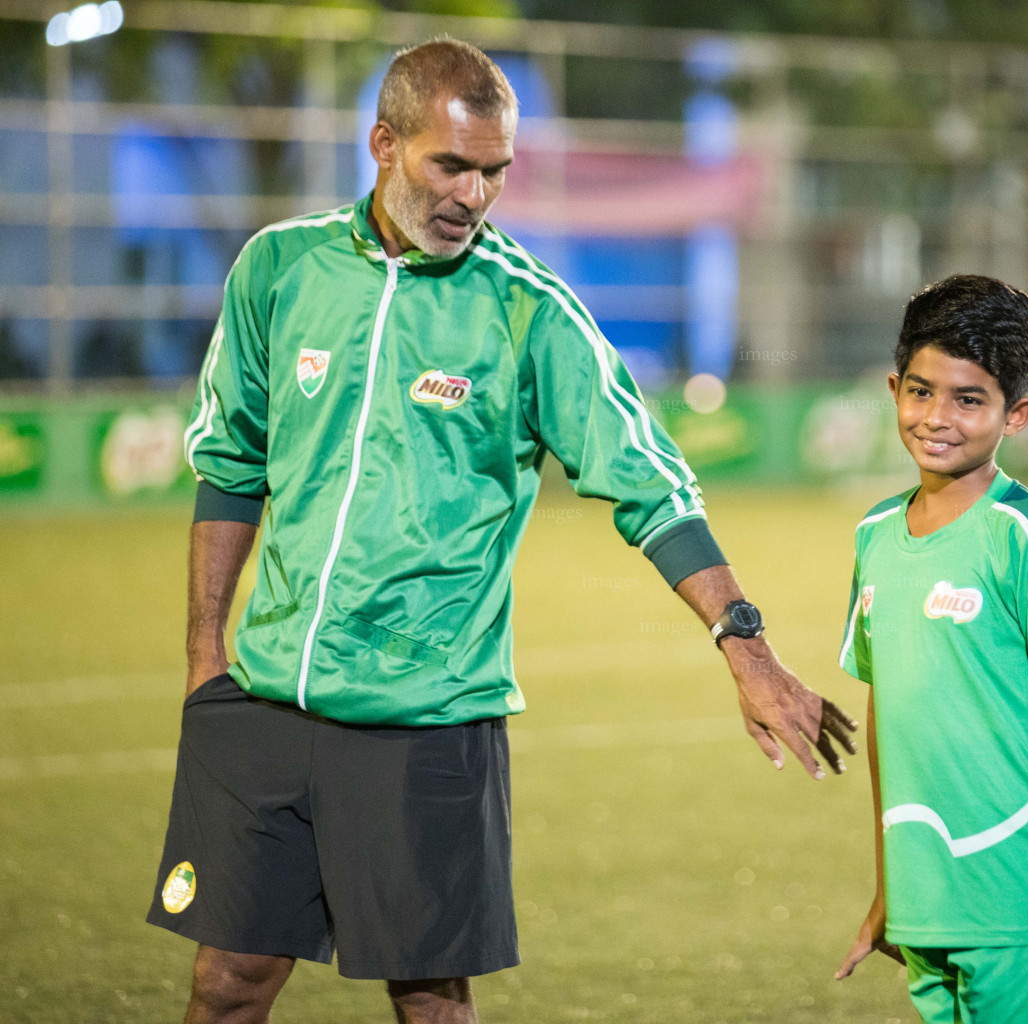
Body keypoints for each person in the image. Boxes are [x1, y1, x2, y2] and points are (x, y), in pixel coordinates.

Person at [155, 37, 856, 1024]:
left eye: (494, 172)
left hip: (429, 716)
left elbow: (651, 485)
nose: (475, 195)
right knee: (227, 982)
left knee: (433, 1001)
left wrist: (746, 644)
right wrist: (201, 654)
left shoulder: (532, 314)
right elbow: (230, 464)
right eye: (453, 165)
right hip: (272, 699)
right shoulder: (280, 268)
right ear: (384, 143)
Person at [831, 276, 1028, 1022]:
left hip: (1020, 907)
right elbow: (888, 711)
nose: (936, 418)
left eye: (969, 399)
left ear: (1017, 414)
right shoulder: (874, 538)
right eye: (920, 392)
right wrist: (893, 888)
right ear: (894, 388)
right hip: (928, 907)